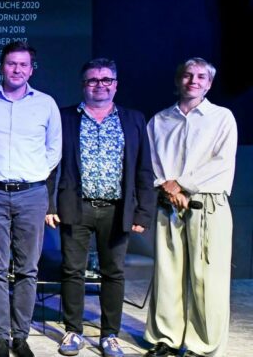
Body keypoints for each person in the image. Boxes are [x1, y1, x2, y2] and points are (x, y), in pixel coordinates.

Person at [46, 58, 156, 357]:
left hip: (117, 209)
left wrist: (143, 212)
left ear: (115, 85)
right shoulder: (65, 117)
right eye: (93, 80)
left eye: (106, 79)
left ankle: (110, 335)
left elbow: (144, 169)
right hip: (75, 206)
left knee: (113, 273)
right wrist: (48, 204)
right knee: (73, 271)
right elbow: (50, 164)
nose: (100, 85)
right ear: (84, 85)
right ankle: (73, 331)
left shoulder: (133, 119)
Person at [0, 41, 61, 357]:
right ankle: (1, 338)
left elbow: (54, 149)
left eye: (23, 64)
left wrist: (34, 174)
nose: (17, 69)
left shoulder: (46, 104)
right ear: (1, 66)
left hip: (32, 194)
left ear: (31, 69)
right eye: (11, 63)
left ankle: (20, 337)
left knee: (27, 269)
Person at [144, 58, 237, 357]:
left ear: (209, 84)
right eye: (187, 75)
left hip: (207, 204)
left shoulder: (222, 118)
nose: (193, 81)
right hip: (168, 204)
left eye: (200, 77)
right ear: (178, 80)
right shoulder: (159, 120)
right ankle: (166, 338)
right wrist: (168, 187)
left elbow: (221, 162)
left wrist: (182, 185)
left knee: (206, 278)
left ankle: (202, 345)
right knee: (167, 275)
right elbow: (151, 162)